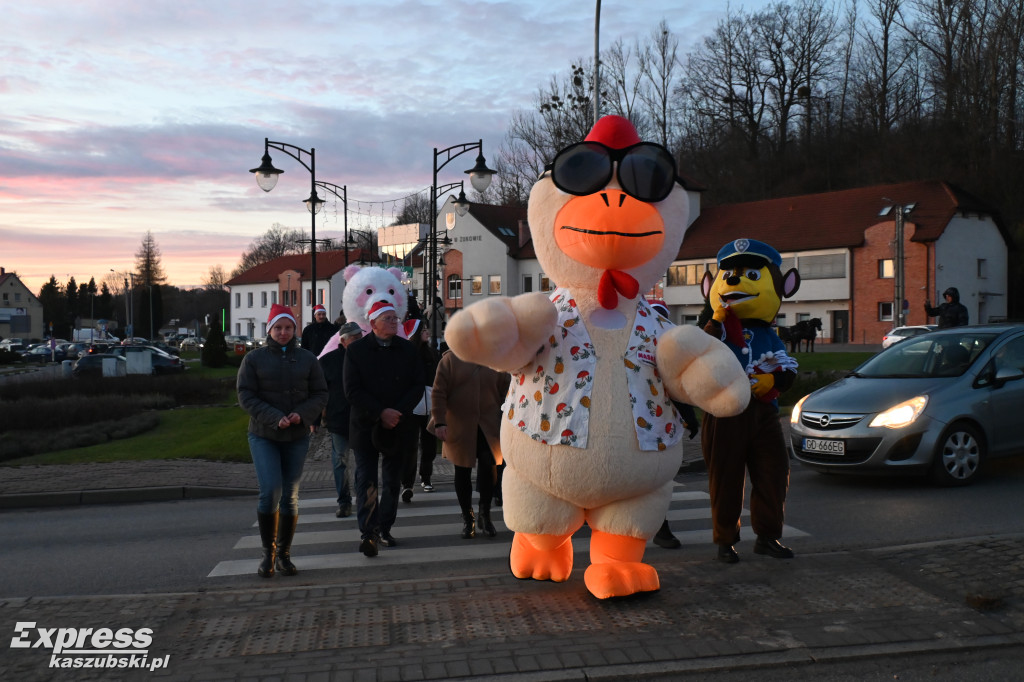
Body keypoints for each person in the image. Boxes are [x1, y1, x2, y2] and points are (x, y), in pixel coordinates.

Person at [237, 303, 328, 578]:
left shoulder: (307, 359)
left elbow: (321, 393)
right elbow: (245, 395)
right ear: (270, 330)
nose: (283, 332)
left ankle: (284, 556)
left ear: (295, 329)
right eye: (278, 328)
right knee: (270, 491)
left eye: (288, 327)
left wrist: (302, 414)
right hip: (264, 434)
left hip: (296, 436)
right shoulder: (254, 359)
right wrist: (275, 417)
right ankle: (268, 553)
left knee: (290, 496)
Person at [344, 300, 424, 557]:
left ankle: (384, 527)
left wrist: (396, 413)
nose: (394, 322)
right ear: (374, 323)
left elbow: (417, 385)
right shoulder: (356, 351)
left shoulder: (408, 350)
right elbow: (352, 390)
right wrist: (381, 412)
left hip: (398, 424)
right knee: (366, 480)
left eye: (395, 318)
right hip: (367, 425)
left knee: (391, 482)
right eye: (388, 318)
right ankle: (368, 533)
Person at [430, 349, 510, 539]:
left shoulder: (496, 358)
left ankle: (485, 514)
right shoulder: (451, 359)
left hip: (489, 424)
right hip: (460, 424)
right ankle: (468, 518)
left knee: (489, 465)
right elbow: (439, 392)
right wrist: (440, 421)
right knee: (462, 469)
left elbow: (507, 390)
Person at [319, 321, 364, 518]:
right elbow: (319, 392)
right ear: (343, 341)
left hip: (363, 418)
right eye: (355, 338)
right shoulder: (328, 361)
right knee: (340, 461)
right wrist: (315, 419)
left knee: (362, 461)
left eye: (360, 338)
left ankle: (362, 497)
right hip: (338, 418)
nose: (359, 341)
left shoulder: (367, 358)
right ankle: (344, 501)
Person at [400, 319, 438, 501]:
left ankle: (426, 476)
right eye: (423, 330)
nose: (427, 332)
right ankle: (407, 483)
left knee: (429, 443)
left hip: (430, 405)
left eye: (427, 329)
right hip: (411, 407)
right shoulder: (406, 354)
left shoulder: (432, 354)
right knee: (410, 446)